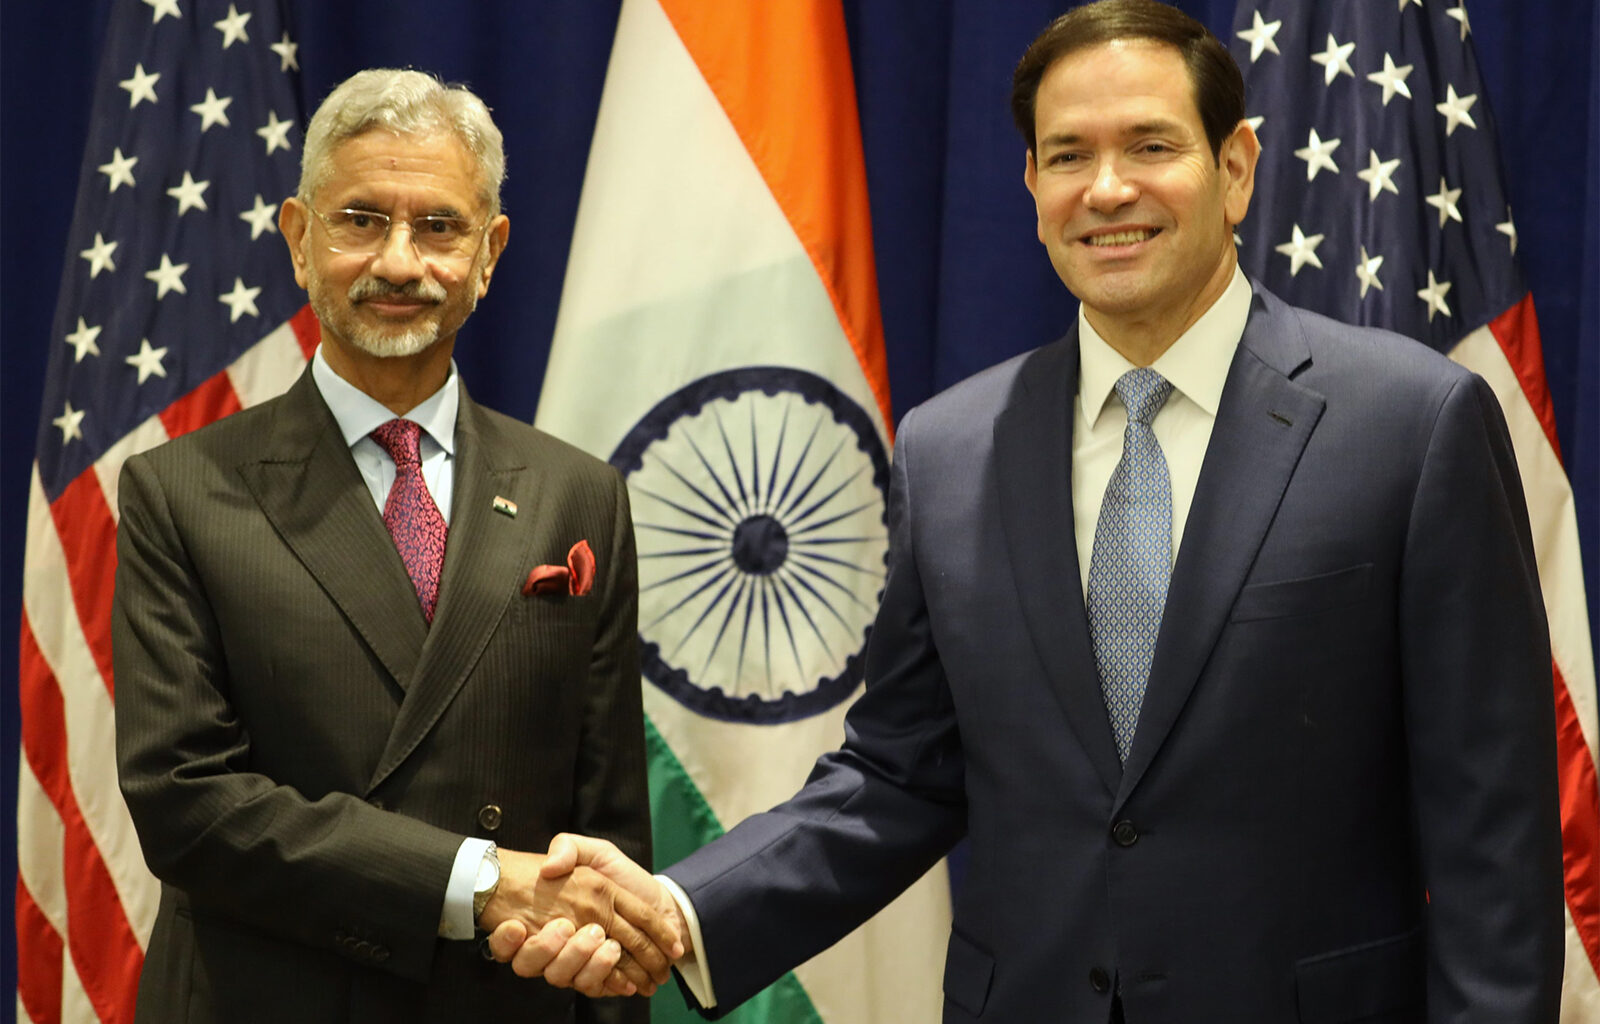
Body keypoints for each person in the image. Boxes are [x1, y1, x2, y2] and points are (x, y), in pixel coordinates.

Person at [491, 2, 1566, 1021]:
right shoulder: (952, 447)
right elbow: (900, 773)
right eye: (1067, 155)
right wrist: (679, 909)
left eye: (1150, 146)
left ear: (1235, 167)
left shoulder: (1411, 423)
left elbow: (1492, 832)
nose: (1105, 189)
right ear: (1030, 181)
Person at [112, 69, 679, 1023]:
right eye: (361, 221)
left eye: (440, 228)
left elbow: (607, 831)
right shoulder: (180, 492)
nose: (401, 263)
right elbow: (188, 806)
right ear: (299, 239)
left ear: (490, 253)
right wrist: (478, 880)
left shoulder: (581, 495)